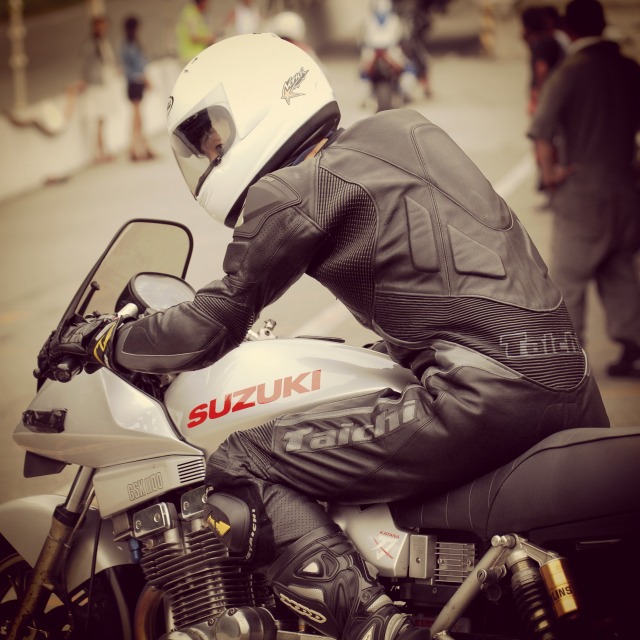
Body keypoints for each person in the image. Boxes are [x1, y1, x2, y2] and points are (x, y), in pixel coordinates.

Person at [39, 33, 610, 640]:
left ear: (259, 105)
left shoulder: (293, 188)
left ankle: (377, 627)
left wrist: (104, 339)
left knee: (242, 457)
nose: (212, 155)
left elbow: (210, 324)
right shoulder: (406, 129)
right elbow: (453, 276)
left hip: (482, 395)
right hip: (568, 379)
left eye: (215, 140)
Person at [528, 0, 640, 378]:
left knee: (569, 277)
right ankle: (633, 347)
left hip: (582, 193)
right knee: (618, 269)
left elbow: (542, 130)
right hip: (626, 189)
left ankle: (569, 358)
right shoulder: (629, 69)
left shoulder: (569, 72)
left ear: (568, 29)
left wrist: (550, 174)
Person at [79, 15, 119, 164]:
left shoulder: (102, 42)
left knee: (102, 118)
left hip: (103, 83)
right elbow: (86, 64)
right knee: (97, 117)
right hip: (96, 85)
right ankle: (99, 151)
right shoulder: (91, 43)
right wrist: (85, 80)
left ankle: (102, 149)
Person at [120, 15, 156, 162]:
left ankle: (141, 147)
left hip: (135, 83)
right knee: (137, 118)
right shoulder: (129, 45)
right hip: (135, 82)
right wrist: (145, 79)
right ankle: (136, 148)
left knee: (138, 117)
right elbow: (135, 67)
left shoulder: (128, 44)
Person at [175, 0, 215, 65]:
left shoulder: (198, 14)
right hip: (191, 57)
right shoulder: (190, 13)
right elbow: (193, 37)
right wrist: (208, 39)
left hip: (197, 55)